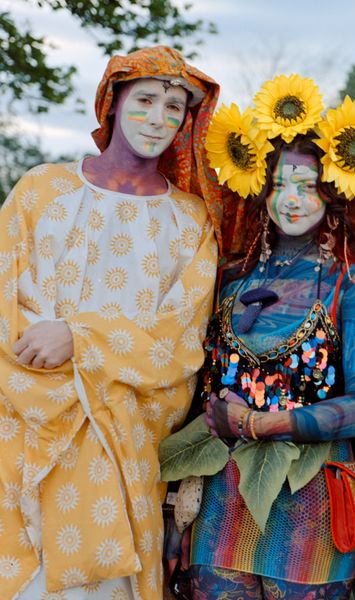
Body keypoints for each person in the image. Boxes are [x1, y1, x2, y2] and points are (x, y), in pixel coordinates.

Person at [162, 74, 355, 599]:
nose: (292, 201)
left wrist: (264, 424)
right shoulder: (230, 277)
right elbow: (196, 397)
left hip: (312, 513)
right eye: (280, 185)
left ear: (333, 194)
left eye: (308, 186)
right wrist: (174, 516)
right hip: (218, 510)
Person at [0, 46, 222, 598]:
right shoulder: (41, 190)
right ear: (112, 103)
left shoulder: (191, 220)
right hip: (25, 432)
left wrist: (80, 340)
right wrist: (50, 379)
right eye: (145, 99)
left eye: (174, 108)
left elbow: (179, 343)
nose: (158, 118)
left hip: (123, 442)